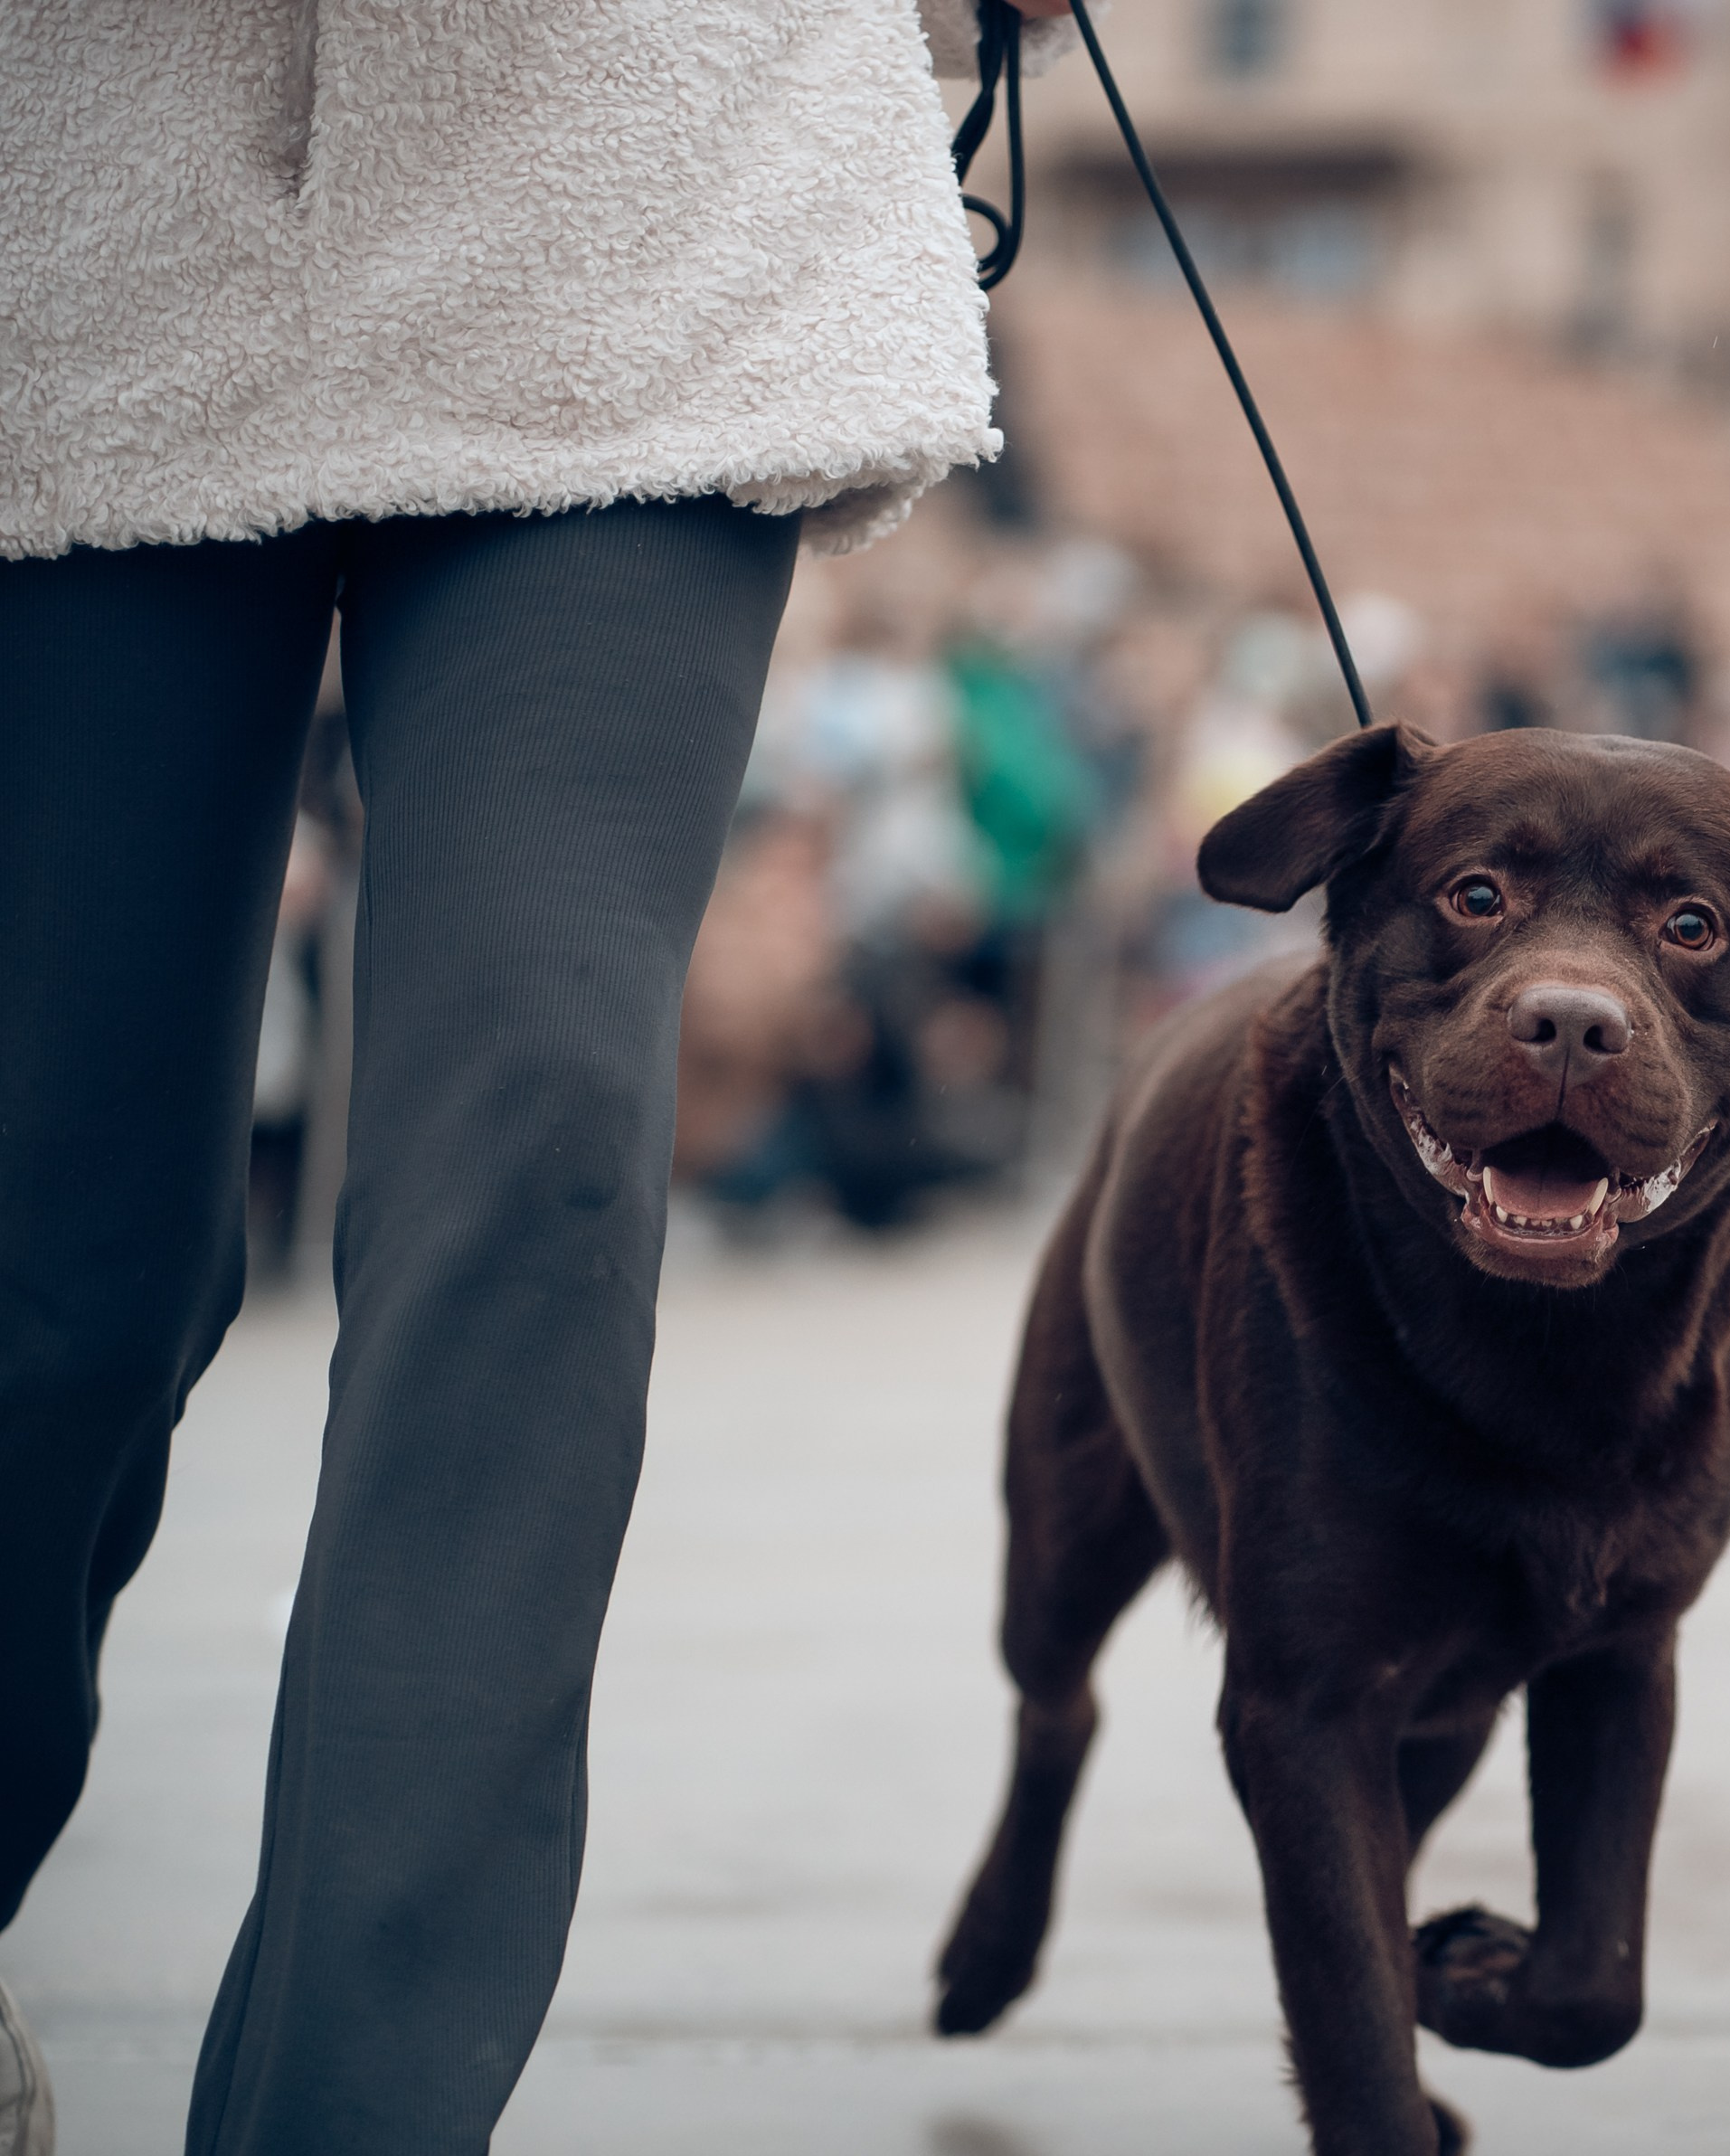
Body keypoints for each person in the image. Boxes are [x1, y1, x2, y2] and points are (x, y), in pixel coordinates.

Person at [0, 3, 1072, 2151]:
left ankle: (353, 2120)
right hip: (82, 203)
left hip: (642, 181)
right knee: (63, 1261)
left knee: (543, 1154)